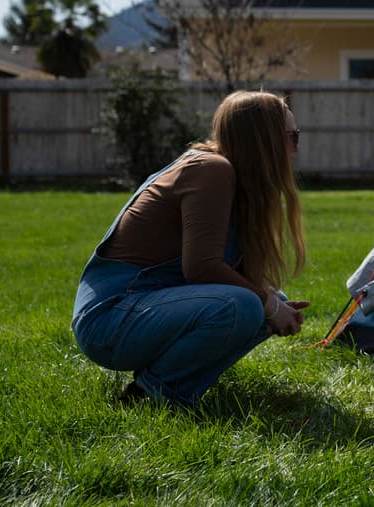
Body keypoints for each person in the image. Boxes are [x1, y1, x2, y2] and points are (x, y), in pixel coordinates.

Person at [71, 90, 310, 408]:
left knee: (269, 302)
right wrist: (265, 302)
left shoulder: (231, 178)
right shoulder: (211, 169)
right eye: (292, 136)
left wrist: (273, 304)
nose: (296, 147)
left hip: (136, 310)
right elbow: (201, 268)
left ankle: (166, 385)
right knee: (247, 305)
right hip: (108, 318)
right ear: (263, 140)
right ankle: (152, 394)